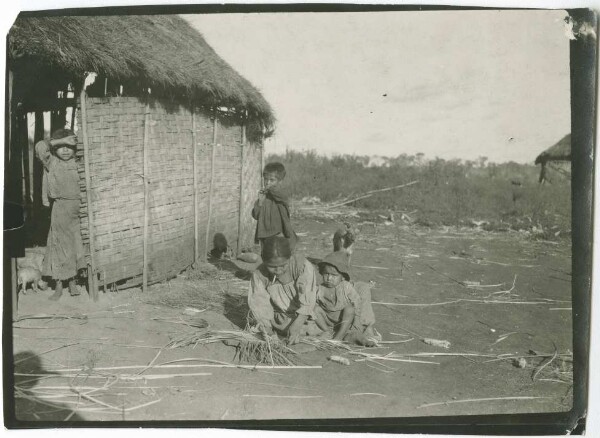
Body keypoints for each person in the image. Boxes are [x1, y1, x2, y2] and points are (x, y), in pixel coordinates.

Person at [35, 128, 85, 301]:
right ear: (55, 149)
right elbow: (41, 147)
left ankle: (72, 281)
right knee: (59, 245)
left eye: (69, 146)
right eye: (60, 146)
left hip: (78, 209)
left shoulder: (78, 163)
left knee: (75, 245)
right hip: (60, 208)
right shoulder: (52, 163)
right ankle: (58, 285)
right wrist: (53, 142)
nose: (65, 150)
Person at [247, 236, 320, 344]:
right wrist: (268, 331)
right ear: (263, 260)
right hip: (281, 315)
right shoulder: (260, 275)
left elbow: (308, 299)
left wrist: (298, 323)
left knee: (318, 322)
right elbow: (260, 305)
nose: (278, 270)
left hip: (305, 314)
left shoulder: (301, 266)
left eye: (283, 265)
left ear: (290, 258)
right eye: (272, 266)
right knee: (260, 324)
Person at [314, 251, 378, 346]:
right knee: (314, 309)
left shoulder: (345, 286)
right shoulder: (320, 288)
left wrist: (356, 321)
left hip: (345, 321)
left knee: (349, 308)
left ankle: (339, 337)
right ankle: (327, 332)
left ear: (342, 277)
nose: (329, 278)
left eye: (334, 275)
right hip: (328, 320)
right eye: (326, 274)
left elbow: (357, 301)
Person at [252, 162, 297, 250]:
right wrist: (260, 202)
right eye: (265, 179)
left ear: (280, 181)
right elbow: (255, 215)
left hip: (278, 233)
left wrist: (269, 188)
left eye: (272, 180)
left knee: (279, 255)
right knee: (266, 257)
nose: (267, 182)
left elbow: (280, 195)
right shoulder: (264, 196)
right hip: (264, 234)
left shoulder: (282, 193)